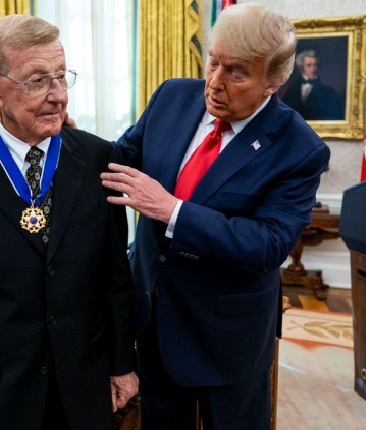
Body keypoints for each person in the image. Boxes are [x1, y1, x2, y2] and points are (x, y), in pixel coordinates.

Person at [100, 4, 330, 429]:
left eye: (237, 72)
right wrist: (67, 141)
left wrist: (172, 210)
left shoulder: (299, 148)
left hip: (227, 337)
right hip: (153, 318)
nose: (215, 82)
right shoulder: (172, 96)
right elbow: (120, 158)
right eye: (213, 61)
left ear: (272, 82)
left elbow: (268, 244)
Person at [0, 15, 138, 430]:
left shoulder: (98, 159)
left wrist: (123, 364)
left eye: (61, 77)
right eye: (37, 81)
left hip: (85, 389)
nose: (57, 96)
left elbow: (115, 277)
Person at [281, 49, 343, 120]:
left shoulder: (329, 93)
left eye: (315, 65)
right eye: (309, 65)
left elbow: (335, 118)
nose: (313, 69)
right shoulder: (290, 93)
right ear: (301, 68)